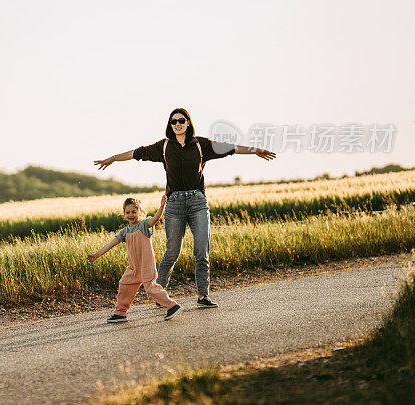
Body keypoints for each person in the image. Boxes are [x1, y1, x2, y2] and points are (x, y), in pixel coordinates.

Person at [94, 107, 276, 308]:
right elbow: (137, 153)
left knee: (201, 250)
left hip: (198, 202)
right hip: (174, 204)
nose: (177, 124)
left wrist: (255, 150)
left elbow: (229, 147)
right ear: (170, 125)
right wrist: (112, 158)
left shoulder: (201, 145)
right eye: (173, 121)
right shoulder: (164, 147)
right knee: (172, 252)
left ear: (188, 122)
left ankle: (202, 296)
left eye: (181, 120)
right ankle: (159, 295)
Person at [88, 195, 183, 323]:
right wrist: (96, 255)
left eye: (134, 211)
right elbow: (111, 244)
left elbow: (155, 219)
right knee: (124, 285)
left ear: (140, 212)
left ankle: (172, 306)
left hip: (146, 265)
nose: (131, 215)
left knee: (151, 288)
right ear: (124, 214)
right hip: (133, 268)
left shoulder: (143, 225)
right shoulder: (124, 231)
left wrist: (161, 207)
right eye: (128, 212)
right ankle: (120, 313)